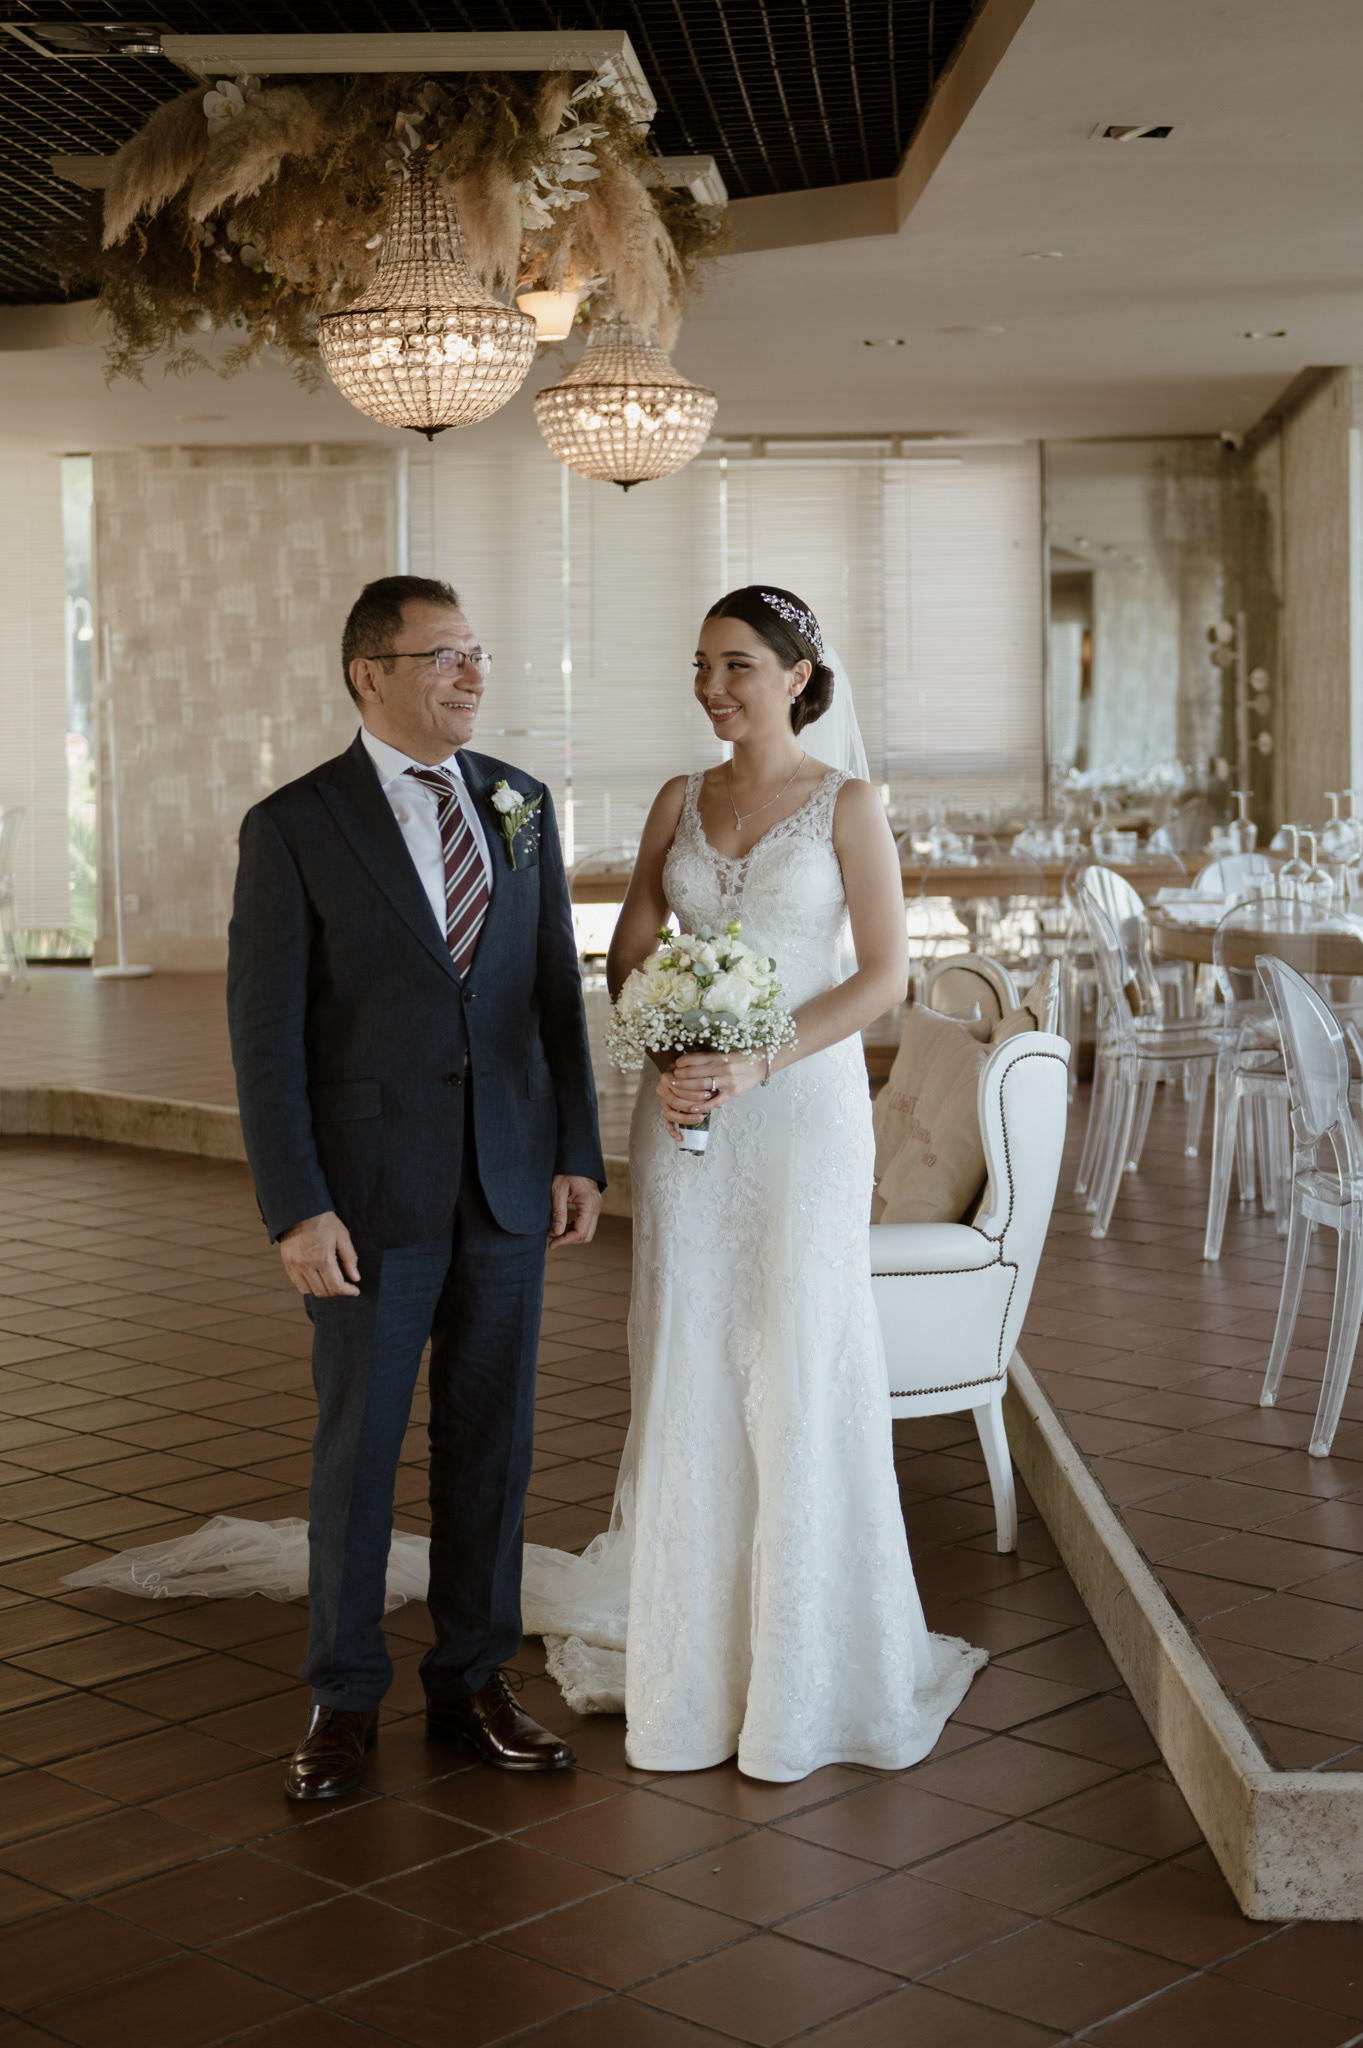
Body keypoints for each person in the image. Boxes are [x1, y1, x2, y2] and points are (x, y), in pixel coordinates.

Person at [521, 586, 984, 1781]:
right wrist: (666, 1035)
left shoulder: (848, 803)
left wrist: (755, 1056)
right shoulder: (679, 797)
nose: (713, 687)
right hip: (683, 1104)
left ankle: (804, 1658)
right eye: (700, 664)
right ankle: (694, 1650)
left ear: (797, 675)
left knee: (794, 1345)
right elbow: (630, 943)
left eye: (736, 664)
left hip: (798, 1108)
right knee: (689, 1341)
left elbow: (883, 976)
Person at [225, 574, 605, 1798]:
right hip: (367, 1196)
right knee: (361, 1449)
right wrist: (297, 1203)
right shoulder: (293, 826)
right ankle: (343, 1697)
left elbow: (555, 992)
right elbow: (265, 1036)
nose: (471, 674)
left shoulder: (520, 804)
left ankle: (471, 1681)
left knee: (492, 1444)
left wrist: (576, 1149)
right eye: (444, 655)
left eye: (477, 652)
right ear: (368, 674)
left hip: (507, 1180)